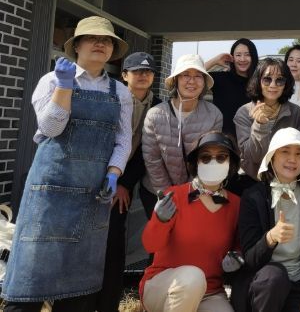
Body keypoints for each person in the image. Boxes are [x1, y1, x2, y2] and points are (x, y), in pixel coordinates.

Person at [2, 16, 132, 311]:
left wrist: (114, 172)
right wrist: (64, 87)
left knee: (78, 285)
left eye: (107, 40)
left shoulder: (121, 92)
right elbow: (50, 128)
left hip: (93, 195)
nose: (100, 44)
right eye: (93, 38)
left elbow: (123, 140)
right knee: (30, 280)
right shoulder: (51, 80)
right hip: (49, 193)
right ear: (77, 46)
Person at [140, 131, 241, 312]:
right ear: (196, 163)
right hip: (164, 286)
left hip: (210, 292)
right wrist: (160, 221)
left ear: (231, 164)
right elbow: (150, 245)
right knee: (193, 277)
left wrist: (237, 256)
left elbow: (238, 246)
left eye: (221, 157)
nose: (213, 162)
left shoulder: (236, 205)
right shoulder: (175, 196)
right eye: (205, 157)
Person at [97, 52, 161, 312]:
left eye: (148, 72)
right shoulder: (111, 98)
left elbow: (148, 150)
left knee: (115, 241)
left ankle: (109, 303)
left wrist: (124, 183)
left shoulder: (159, 107)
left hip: (127, 180)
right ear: (124, 75)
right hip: (99, 175)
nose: (142, 75)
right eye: (136, 71)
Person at [237, 128, 300, 312]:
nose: (292, 159)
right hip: (266, 286)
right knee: (274, 277)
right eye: (285, 151)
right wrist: (270, 238)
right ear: (272, 158)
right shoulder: (253, 197)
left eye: (299, 154)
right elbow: (250, 258)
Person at [142, 54, 223, 218]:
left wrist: (191, 192)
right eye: (185, 75)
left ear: (204, 82)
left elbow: (209, 158)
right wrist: (167, 194)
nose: (191, 81)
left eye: (198, 76)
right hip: (156, 193)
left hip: (197, 193)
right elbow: (152, 159)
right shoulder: (155, 114)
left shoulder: (214, 114)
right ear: (176, 80)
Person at [234, 57, 300, 180]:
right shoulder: (244, 113)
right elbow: (253, 157)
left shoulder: (296, 113)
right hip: (253, 179)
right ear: (258, 81)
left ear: (286, 84)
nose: (273, 85)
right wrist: (260, 126)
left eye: (279, 80)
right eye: (267, 79)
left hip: (287, 178)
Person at [206, 38, 259, 137]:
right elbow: (194, 74)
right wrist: (215, 60)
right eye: (238, 55)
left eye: (247, 54)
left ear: (253, 57)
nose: (242, 59)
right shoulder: (221, 78)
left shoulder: (261, 82)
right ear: (232, 58)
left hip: (251, 141)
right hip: (223, 140)